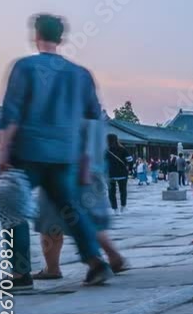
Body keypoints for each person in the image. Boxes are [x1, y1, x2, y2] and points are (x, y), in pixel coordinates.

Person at [0, 13, 113, 289]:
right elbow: (93, 118)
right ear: (60, 38)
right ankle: (96, 262)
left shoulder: (25, 67)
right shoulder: (80, 74)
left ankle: (19, 273)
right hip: (64, 154)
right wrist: (88, 158)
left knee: (13, 210)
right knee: (71, 210)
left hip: (28, 151)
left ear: (36, 35)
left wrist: (2, 151)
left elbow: (11, 114)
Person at [35, 113, 128, 279]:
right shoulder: (92, 109)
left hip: (68, 169)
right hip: (94, 171)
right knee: (87, 218)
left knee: (50, 222)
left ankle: (53, 268)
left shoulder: (64, 108)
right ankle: (112, 255)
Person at [107, 133, 133, 215]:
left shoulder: (105, 150)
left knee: (111, 192)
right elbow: (130, 160)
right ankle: (123, 207)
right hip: (122, 173)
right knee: (123, 190)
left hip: (110, 174)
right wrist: (130, 169)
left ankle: (115, 209)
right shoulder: (122, 149)